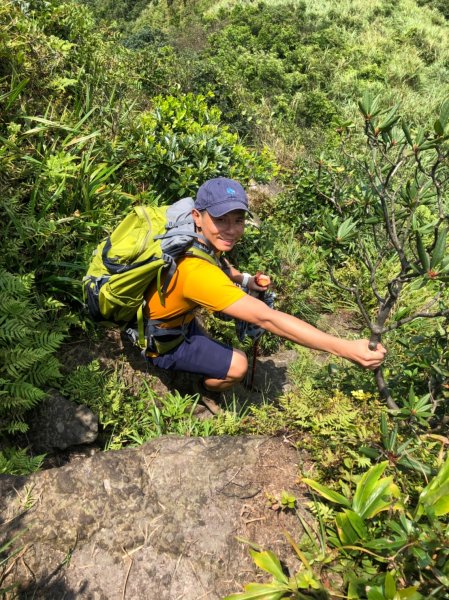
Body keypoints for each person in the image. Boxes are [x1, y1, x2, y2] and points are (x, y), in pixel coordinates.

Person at [144, 177, 386, 406]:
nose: (231, 230)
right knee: (238, 365)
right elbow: (267, 318)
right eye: (221, 220)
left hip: (175, 319)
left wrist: (245, 280)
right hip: (163, 339)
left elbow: (221, 265)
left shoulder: (193, 237)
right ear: (197, 216)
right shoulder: (196, 273)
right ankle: (202, 391)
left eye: (238, 220)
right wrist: (345, 348)